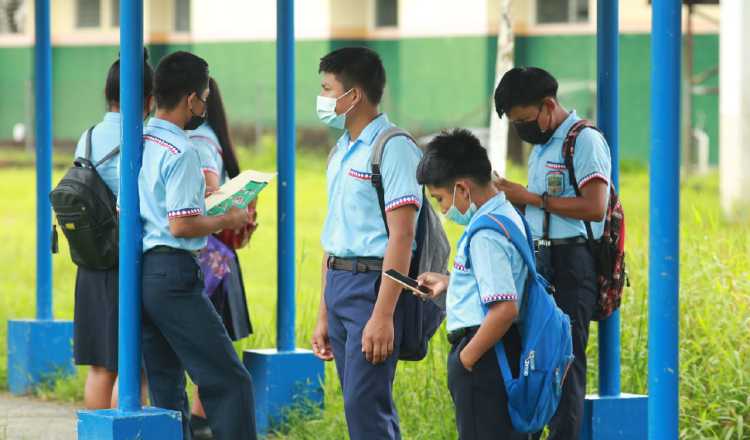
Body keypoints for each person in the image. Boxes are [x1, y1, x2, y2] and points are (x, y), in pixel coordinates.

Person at [139, 50, 256, 440]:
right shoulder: (182, 150)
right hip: (174, 273)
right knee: (229, 379)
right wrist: (229, 218)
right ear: (191, 99)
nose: (205, 104)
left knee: (166, 388)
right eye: (204, 96)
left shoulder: (139, 139)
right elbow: (181, 224)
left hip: (142, 273)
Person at [309, 46, 423, 440]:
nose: (322, 98)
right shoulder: (342, 150)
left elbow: (403, 235)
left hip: (372, 286)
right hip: (340, 283)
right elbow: (335, 235)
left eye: (327, 88)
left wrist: (383, 314)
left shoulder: (393, 148)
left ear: (353, 95)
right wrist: (324, 313)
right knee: (358, 404)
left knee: (366, 405)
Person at [493, 67, 612, 440]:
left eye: (526, 120)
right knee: (537, 357)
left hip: (572, 262)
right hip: (542, 260)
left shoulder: (583, 140)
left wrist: (530, 198)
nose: (523, 129)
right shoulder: (542, 147)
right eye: (516, 123)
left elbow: (595, 206)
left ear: (548, 106)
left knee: (565, 361)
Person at [415, 129, 528, 440]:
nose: (441, 208)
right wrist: (451, 282)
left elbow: (504, 308)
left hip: (486, 357)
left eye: (439, 198)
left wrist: (466, 360)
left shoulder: (486, 235)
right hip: (501, 350)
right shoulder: (507, 215)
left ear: (462, 188)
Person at [72, 50, 152, 410]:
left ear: (109, 94)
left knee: (100, 368)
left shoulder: (87, 137)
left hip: (90, 261)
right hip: (127, 262)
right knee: (134, 370)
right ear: (149, 99)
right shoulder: (141, 138)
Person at [187, 76, 256, 439]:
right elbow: (215, 192)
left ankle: (197, 426)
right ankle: (201, 425)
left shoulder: (194, 140)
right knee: (216, 355)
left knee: (204, 355)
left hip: (201, 259)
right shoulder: (212, 140)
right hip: (218, 262)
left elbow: (208, 191)